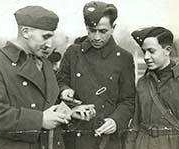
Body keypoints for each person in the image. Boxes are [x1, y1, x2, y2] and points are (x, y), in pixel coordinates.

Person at [0, 6, 73, 149]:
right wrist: (39, 120)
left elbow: (46, 102)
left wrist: (71, 112)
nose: (49, 44)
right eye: (45, 37)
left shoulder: (45, 63)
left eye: (51, 36)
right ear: (25, 32)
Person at [57, 1, 135, 149]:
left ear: (113, 28)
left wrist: (116, 121)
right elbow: (60, 82)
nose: (96, 37)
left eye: (103, 31)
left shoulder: (124, 58)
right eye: (92, 30)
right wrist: (65, 90)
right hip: (75, 136)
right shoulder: (73, 53)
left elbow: (128, 100)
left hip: (107, 139)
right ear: (86, 27)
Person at [128, 26, 179, 149]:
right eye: (144, 52)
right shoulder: (143, 83)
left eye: (151, 51)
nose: (146, 57)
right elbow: (135, 125)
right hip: (143, 144)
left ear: (167, 50)